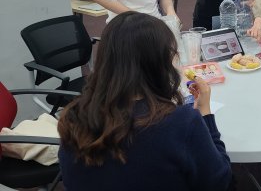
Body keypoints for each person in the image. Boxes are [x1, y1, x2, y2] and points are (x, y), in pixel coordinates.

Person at [57, 12, 232, 191]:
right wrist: (205, 114)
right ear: (159, 64)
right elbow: (219, 181)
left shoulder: (74, 118)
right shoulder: (181, 122)